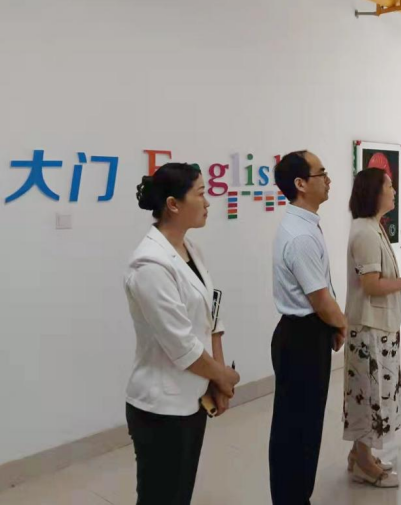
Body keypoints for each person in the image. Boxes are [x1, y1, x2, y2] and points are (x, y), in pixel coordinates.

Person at [125, 163, 241, 505]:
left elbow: (211, 312)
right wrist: (223, 375)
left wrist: (218, 378)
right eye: (201, 193)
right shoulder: (149, 265)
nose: (208, 202)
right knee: (160, 496)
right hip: (162, 406)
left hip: (193, 396)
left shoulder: (190, 249)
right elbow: (182, 346)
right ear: (173, 204)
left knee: (181, 492)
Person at [268, 151, 348, 505]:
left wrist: (332, 324)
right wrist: (341, 323)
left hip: (308, 332)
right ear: (300, 184)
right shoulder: (299, 236)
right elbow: (320, 299)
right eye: (321, 173)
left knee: (304, 424)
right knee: (297, 429)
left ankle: (297, 495)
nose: (328, 179)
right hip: (301, 337)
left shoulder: (304, 224)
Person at [343, 168, 401, 488]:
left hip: (378, 327)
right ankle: (364, 464)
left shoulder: (371, 227)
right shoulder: (365, 233)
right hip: (369, 330)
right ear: (374, 193)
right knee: (368, 397)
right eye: (389, 186)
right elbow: (371, 285)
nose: (394, 191)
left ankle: (359, 454)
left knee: (372, 393)